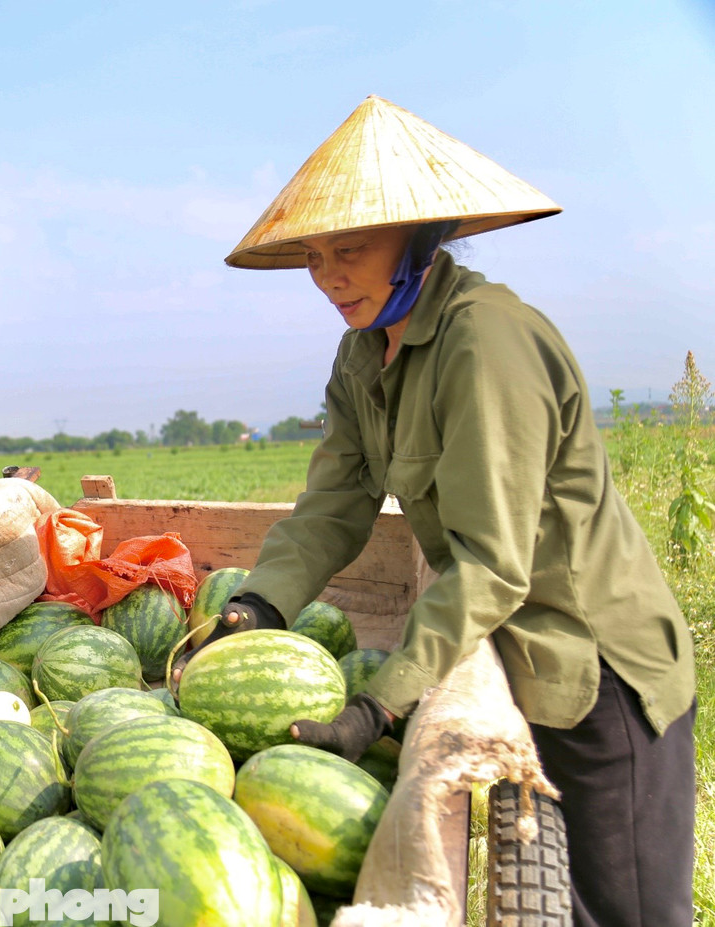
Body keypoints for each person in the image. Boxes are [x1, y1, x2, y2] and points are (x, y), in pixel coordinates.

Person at [173, 96, 696, 926]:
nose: (329, 275)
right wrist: (259, 601)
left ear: (422, 240)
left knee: (630, 909)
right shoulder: (361, 352)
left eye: (351, 250)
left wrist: (379, 704)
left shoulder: (484, 341)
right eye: (314, 255)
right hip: (511, 647)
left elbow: (492, 560)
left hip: (594, 665)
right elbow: (336, 499)